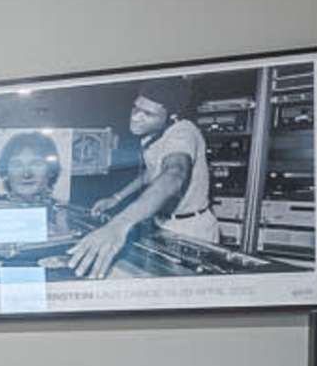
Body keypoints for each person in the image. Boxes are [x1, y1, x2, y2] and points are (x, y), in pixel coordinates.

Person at [63, 80, 224, 279]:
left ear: (172, 117)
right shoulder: (153, 134)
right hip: (163, 223)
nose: (136, 117)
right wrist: (116, 198)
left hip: (191, 228)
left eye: (148, 114)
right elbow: (152, 172)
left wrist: (117, 226)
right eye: (136, 108)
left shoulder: (182, 132)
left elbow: (174, 174)